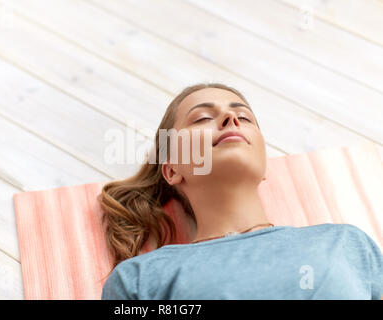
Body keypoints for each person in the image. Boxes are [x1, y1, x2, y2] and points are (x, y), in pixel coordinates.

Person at [98, 83, 383, 300]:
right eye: (201, 119)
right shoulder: (139, 279)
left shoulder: (348, 243)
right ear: (172, 169)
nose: (230, 118)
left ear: (263, 164)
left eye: (244, 117)